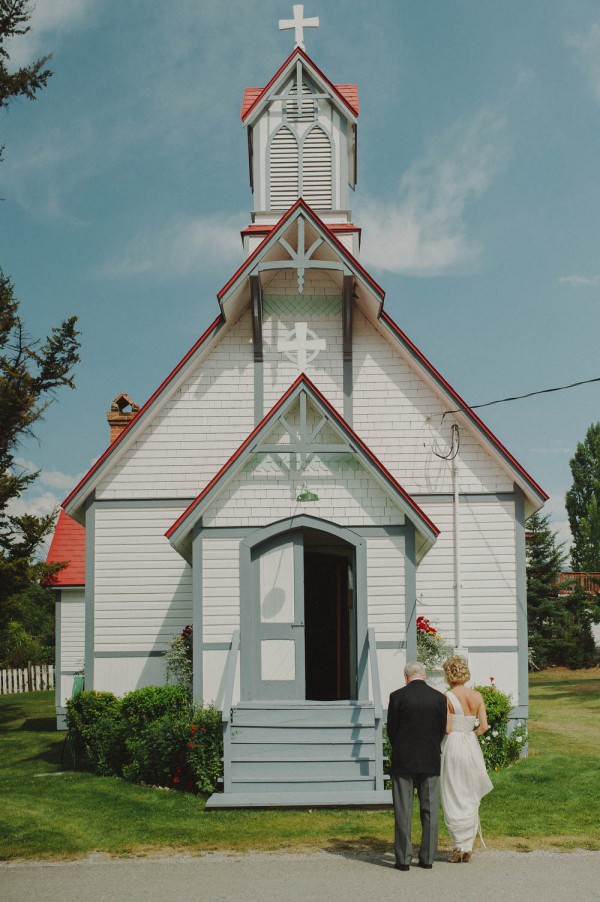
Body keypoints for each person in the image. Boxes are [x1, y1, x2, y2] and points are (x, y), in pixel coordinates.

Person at [386, 660, 448, 871]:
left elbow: (392, 730)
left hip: (403, 760)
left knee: (403, 810)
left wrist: (401, 748)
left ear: (406, 677)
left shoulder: (397, 697)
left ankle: (403, 859)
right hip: (430, 759)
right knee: (429, 811)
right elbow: (441, 730)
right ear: (425, 676)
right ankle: (427, 857)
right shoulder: (439, 698)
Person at [441, 656, 494, 863]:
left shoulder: (447, 697)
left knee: (453, 793)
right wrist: (470, 734)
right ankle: (467, 846)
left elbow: (446, 728)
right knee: (470, 793)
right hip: (471, 745)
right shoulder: (477, 696)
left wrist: (456, 732)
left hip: (453, 745)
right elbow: (483, 727)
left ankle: (458, 847)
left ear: (448, 675)